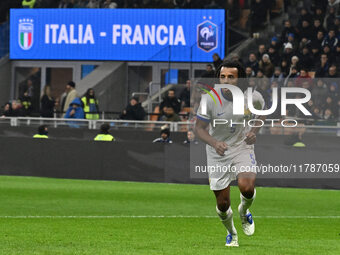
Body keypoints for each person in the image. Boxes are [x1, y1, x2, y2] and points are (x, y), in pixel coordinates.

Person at [195, 60, 265, 247]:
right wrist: (214, 142)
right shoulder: (209, 99)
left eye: (231, 77)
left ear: (239, 79)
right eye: (222, 76)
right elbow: (199, 129)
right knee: (223, 204)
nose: (225, 80)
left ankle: (244, 211)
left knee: (247, 188)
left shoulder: (253, 97)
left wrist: (253, 132)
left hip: (242, 147)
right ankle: (231, 232)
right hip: (217, 153)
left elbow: (263, 113)